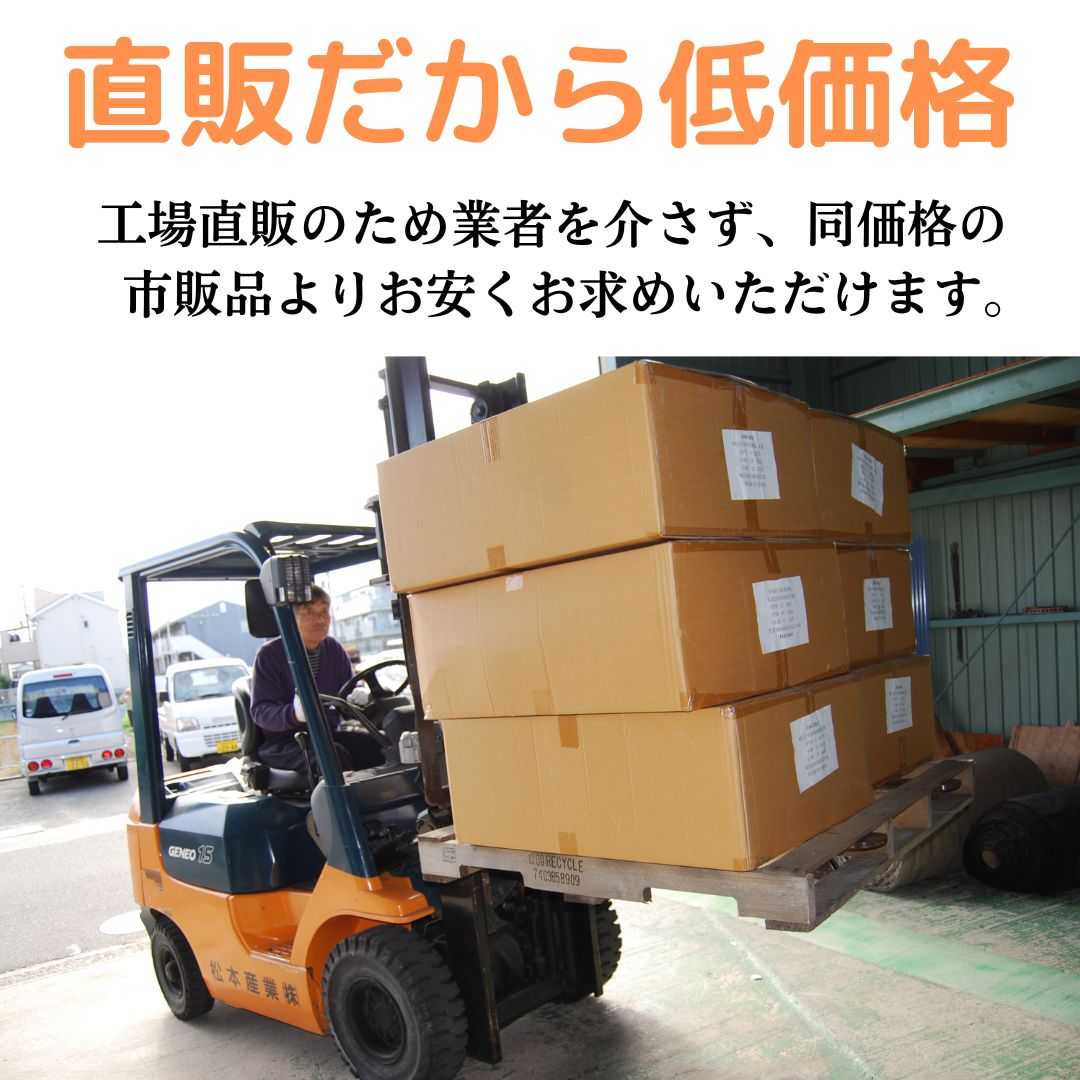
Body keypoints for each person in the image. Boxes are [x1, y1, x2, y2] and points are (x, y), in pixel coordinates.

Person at [250, 585, 384, 773]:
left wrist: (356, 699)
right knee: (333, 756)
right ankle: (348, 794)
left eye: (324, 611)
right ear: (292, 617)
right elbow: (260, 712)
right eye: (309, 612)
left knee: (381, 745)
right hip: (285, 742)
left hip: (326, 734)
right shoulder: (269, 655)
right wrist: (294, 713)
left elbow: (346, 692)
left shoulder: (333, 649)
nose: (320, 619)